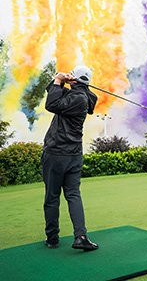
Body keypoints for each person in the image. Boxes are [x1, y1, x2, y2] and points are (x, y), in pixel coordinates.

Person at [42, 65, 99, 251]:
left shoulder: (75, 98)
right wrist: (62, 82)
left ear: (74, 79)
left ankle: (52, 238)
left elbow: (51, 104)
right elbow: (53, 92)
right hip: (74, 155)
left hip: (56, 153)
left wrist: (60, 80)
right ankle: (80, 236)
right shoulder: (85, 97)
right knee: (73, 194)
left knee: (52, 197)